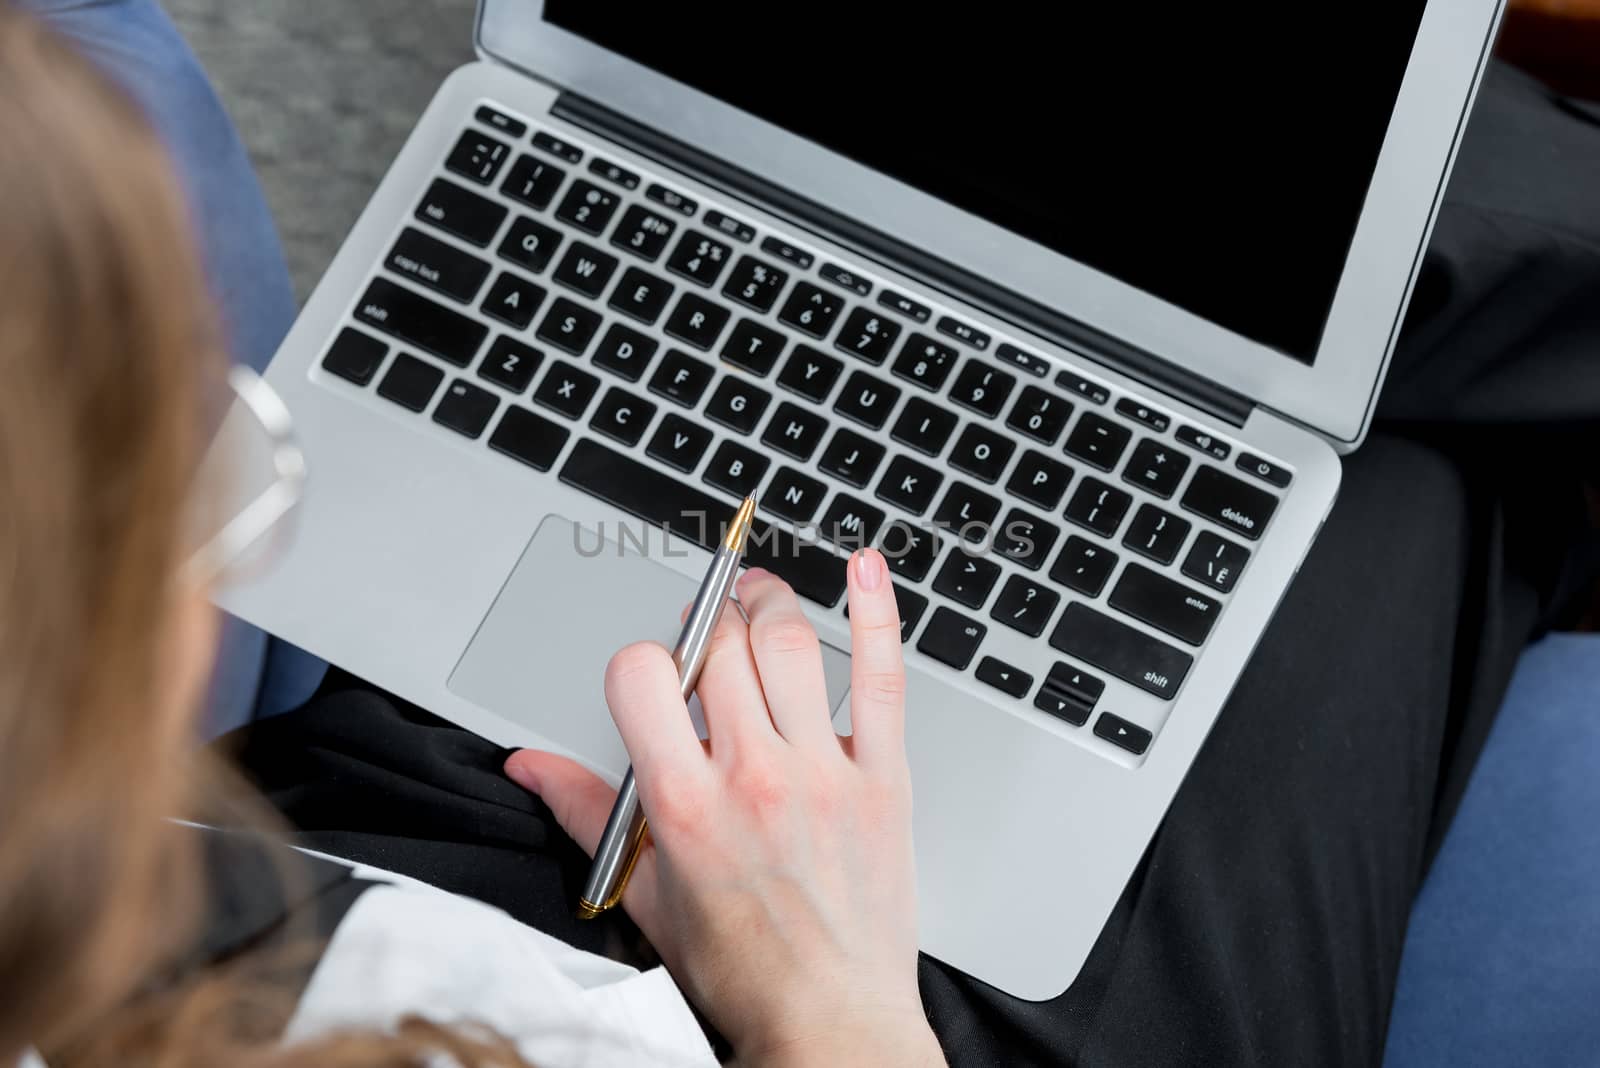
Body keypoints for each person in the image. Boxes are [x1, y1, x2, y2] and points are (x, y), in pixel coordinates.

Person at [4, 5, 1598, 1068]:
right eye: (198, 474)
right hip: (828, 999)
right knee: (1379, 472)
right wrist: (830, 1010)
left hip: (311, 858)